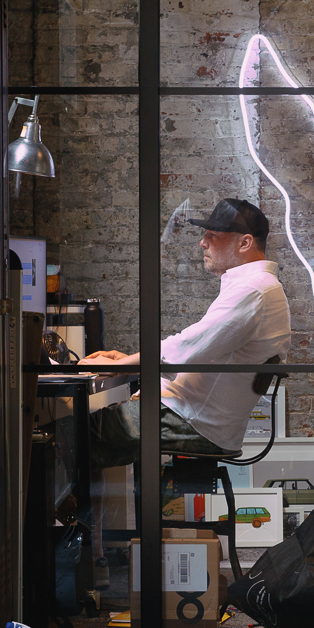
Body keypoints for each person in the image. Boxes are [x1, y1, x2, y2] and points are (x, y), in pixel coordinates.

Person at [80, 198, 291, 467]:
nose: (203, 242)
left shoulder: (255, 290)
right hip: (195, 415)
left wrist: (121, 367)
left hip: (194, 419)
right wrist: (129, 361)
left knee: (77, 433)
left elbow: (187, 347)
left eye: (213, 235)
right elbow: (196, 349)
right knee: (92, 431)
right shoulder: (259, 287)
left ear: (245, 243)